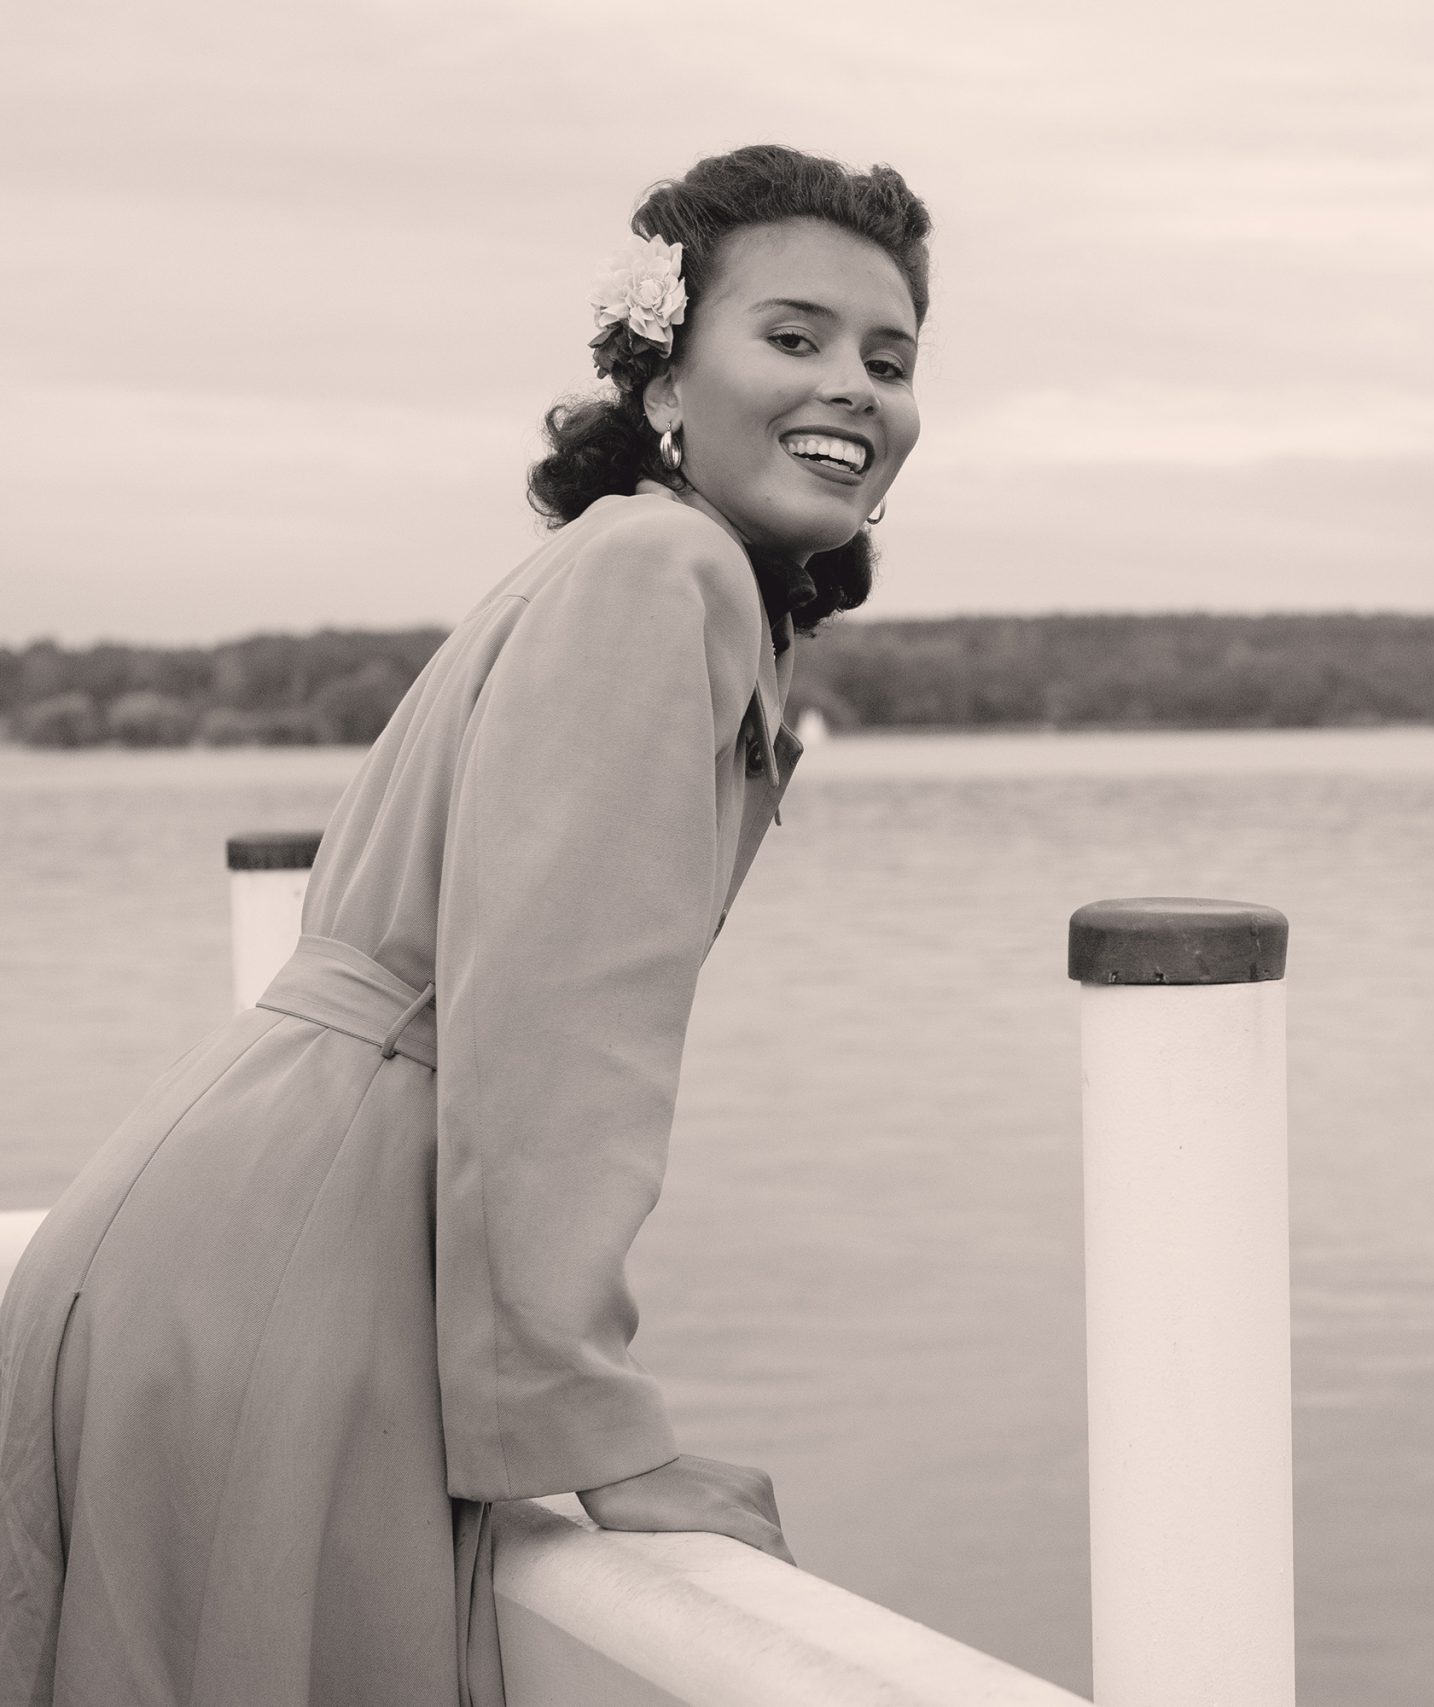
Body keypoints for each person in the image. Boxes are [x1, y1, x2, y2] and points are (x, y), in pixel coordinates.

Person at [0, 144, 929, 1706]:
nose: (853, 385)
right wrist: (601, 1435)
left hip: (239, 1224)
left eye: (889, 360)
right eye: (794, 335)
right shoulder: (661, 570)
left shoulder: (622, 558)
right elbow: (559, 1032)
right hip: (304, 1267)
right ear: (664, 377)